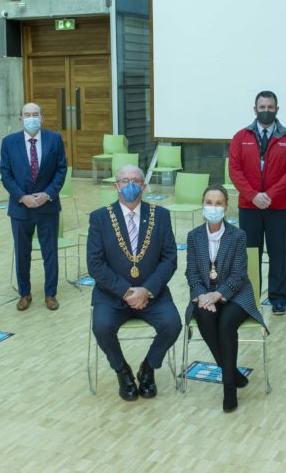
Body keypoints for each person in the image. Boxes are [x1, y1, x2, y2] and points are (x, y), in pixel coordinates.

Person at [87, 165, 180, 401]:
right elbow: (95, 265)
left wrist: (146, 290)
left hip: (152, 294)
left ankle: (148, 367)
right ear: (115, 185)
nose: (130, 185)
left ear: (144, 186)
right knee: (101, 327)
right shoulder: (99, 218)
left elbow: (169, 259)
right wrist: (126, 291)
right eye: (125, 180)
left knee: (173, 324)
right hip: (112, 295)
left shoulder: (161, 216)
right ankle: (123, 371)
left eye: (136, 181)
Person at [184, 185, 266, 413]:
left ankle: (228, 386)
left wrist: (218, 294)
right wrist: (202, 295)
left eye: (218, 203)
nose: (213, 207)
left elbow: (240, 274)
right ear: (202, 205)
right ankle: (233, 373)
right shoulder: (193, 237)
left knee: (226, 323)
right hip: (204, 294)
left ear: (226, 207)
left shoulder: (238, 235)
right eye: (209, 202)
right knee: (204, 317)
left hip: (235, 294)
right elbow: (191, 272)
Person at [228, 91, 286, 315]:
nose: (266, 111)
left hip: (278, 207)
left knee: (278, 253)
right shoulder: (241, 137)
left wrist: (269, 195)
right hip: (249, 207)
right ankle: (249, 298)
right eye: (262, 107)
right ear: (255, 109)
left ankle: (278, 298)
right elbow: (235, 170)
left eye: (270, 107)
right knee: (250, 253)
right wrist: (253, 195)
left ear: (277, 110)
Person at [0, 102, 68, 311]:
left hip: (47, 206)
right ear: (20, 119)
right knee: (22, 253)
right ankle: (24, 294)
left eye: (35, 114)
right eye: (27, 114)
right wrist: (22, 197)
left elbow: (61, 170)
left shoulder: (54, 139)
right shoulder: (9, 142)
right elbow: (6, 173)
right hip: (21, 208)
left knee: (50, 252)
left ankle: (50, 294)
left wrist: (47, 194)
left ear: (42, 117)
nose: (31, 118)